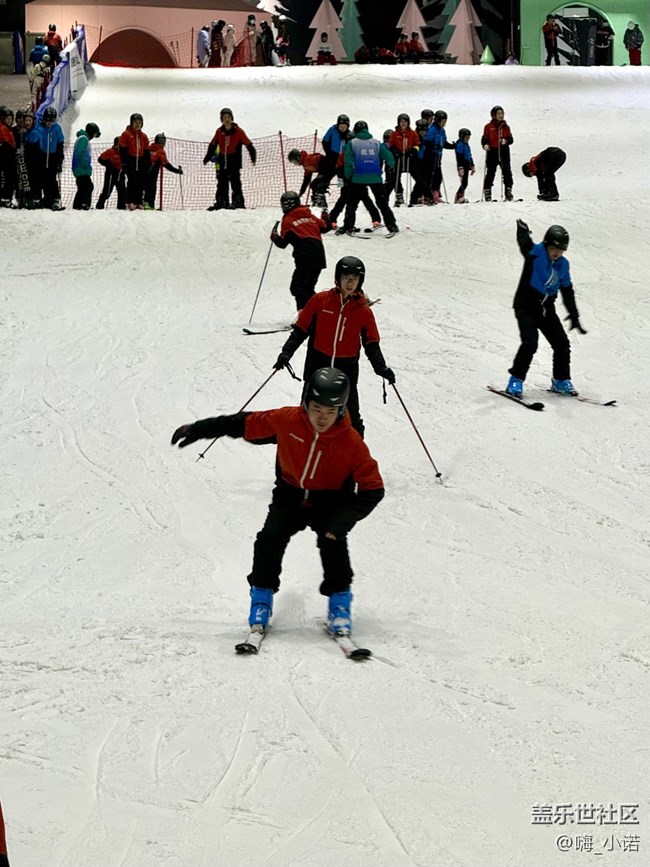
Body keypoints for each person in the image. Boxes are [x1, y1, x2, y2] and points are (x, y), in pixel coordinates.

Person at [171, 367, 385, 638]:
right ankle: (261, 601)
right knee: (269, 539)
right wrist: (198, 429)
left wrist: (341, 521)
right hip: (290, 497)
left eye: (330, 412)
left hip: (330, 502)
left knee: (333, 542)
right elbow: (243, 423)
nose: (322, 417)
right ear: (306, 402)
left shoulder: (351, 442)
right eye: (316, 408)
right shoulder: (288, 420)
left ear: (341, 410)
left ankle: (340, 605)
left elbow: (373, 489)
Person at [273, 256, 395, 437]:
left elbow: (371, 344)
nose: (350, 282)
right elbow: (300, 331)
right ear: (338, 278)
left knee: (352, 419)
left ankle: (355, 459)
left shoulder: (363, 311)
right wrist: (286, 353)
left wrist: (381, 368)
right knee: (307, 413)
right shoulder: (320, 301)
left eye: (355, 278)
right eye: (346, 277)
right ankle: (304, 449)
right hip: (317, 363)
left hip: (346, 368)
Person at [505, 220, 586, 398]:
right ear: (546, 245)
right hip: (526, 306)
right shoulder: (537, 255)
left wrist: (573, 314)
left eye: (561, 250)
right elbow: (526, 245)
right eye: (554, 249)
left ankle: (560, 380)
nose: (557, 253)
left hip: (546, 310)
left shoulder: (563, 265)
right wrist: (523, 233)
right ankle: (515, 380)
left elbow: (567, 289)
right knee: (530, 343)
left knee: (562, 344)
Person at [271, 191, 331, 311]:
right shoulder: (309, 216)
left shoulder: (288, 220)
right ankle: (318, 311)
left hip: (304, 255)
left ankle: (304, 316)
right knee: (308, 287)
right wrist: (325, 217)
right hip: (319, 254)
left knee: (298, 287)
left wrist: (274, 237)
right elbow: (326, 227)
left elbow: (283, 243)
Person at [341, 120, 398, 235]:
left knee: (352, 204)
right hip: (375, 177)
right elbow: (389, 158)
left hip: (358, 177)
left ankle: (348, 226)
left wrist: (348, 176)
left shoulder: (352, 143)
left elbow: (347, 162)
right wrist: (391, 166)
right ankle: (392, 226)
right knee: (382, 204)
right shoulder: (376, 143)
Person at [203, 107, 256, 210]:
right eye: (224, 118)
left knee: (235, 183)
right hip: (223, 160)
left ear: (232, 118)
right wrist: (207, 157)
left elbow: (249, 144)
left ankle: (238, 202)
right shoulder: (219, 132)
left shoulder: (238, 131)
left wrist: (253, 156)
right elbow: (213, 145)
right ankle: (222, 202)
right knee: (222, 183)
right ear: (221, 120)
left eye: (228, 117)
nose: (226, 120)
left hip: (234, 160)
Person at [421, 109, 455, 204]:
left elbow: (443, 143)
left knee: (438, 176)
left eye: (445, 121)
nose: (444, 123)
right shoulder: (432, 129)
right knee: (429, 176)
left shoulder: (442, 131)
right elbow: (427, 142)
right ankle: (426, 196)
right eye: (442, 121)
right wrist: (433, 147)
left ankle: (435, 195)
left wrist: (452, 146)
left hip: (438, 157)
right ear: (437, 120)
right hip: (429, 156)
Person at [481, 105, 514, 202]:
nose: (501, 115)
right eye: (498, 113)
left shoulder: (506, 127)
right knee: (491, 172)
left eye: (502, 113)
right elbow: (485, 138)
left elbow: (511, 139)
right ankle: (487, 192)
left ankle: (508, 191)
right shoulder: (488, 127)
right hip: (493, 151)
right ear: (494, 115)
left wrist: (506, 141)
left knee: (507, 171)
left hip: (504, 151)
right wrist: (485, 145)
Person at [387, 113, 420, 206]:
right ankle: (399, 196)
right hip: (399, 159)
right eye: (401, 122)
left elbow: (417, 144)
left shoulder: (413, 133)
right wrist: (395, 151)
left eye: (405, 122)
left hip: (410, 159)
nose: (403, 123)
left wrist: (413, 150)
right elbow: (391, 145)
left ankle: (415, 197)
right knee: (396, 178)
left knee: (419, 178)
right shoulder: (395, 134)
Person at [119, 112, 150, 210]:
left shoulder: (144, 136)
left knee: (141, 182)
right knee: (132, 181)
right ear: (131, 123)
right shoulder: (126, 134)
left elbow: (146, 150)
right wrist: (124, 162)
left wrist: (147, 162)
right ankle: (130, 201)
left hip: (140, 160)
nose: (137, 124)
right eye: (135, 122)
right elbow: (122, 149)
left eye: (139, 122)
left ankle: (138, 201)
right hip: (130, 159)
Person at [144, 133, 182, 210]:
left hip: (142, 171)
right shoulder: (160, 151)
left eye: (163, 140)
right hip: (152, 172)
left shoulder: (148, 148)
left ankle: (143, 203)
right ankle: (149, 205)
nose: (162, 142)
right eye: (161, 140)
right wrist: (177, 171)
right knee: (151, 188)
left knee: (144, 188)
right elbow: (166, 164)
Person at [38, 105, 65, 210]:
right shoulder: (39, 127)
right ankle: (43, 200)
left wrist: (59, 161)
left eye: (52, 121)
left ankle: (53, 199)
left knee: (52, 180)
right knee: (42, 180)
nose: (49, 123)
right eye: (47, 120)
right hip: (42, 156)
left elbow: (60, 145)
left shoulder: (57, 128)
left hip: (53, 157)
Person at [72, 122, 101, 210]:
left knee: (82, 188)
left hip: (79, 168)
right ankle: (85, 204)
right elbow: (81, 152)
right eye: (95, 134)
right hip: (81, 168)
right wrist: (86, 165)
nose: (94, 137)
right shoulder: (84, 139)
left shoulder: (83, 138)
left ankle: (78, 205)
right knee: (88, 187)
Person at [96, 136, 126, 209]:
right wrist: (109, 165)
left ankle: (121, 207)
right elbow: (100, 159)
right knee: (107, 191)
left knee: (122, 191)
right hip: (110, 174)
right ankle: (100, 206)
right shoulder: (111, 151)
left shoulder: (124, 153)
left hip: (120, 174)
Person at [0, 106, 16, 208]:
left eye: (11, 119)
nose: (9, 121)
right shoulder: (2, 128)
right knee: (8, 179)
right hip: (5, 159)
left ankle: (5, 198)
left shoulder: (8, 128)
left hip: (8, 158)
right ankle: (5, 199)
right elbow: (6, 143)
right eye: (7, 119)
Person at [454, 128, 475, 203]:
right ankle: (459, 196)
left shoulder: (466, 144)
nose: (468, 139)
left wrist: (472, 165)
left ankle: (461, 195)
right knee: (464, 183)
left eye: (469, 138)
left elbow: (469, 155)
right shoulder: (460, 144)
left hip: (467, 165)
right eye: (466, 138)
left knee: (465, 182)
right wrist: (460, 167)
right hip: (463, 165)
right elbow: (459, 157)